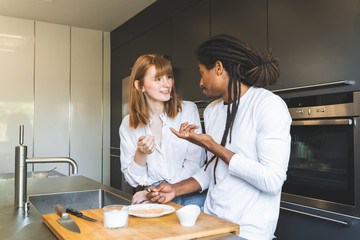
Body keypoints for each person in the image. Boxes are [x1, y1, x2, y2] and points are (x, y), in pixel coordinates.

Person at [148, 35, 292, 240]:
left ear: (218, 67)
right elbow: (214, 170)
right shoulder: (212, 111)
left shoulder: (268, 105)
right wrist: (175, 189)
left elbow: (272, 181)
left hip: (247, 231)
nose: (200, 82)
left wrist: (214, 146)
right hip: (211, 222)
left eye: (201, 72)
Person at [119, 54, 206, 207]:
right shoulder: (128, 124)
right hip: (155, 200)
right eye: (158, 79)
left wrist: (162, 190)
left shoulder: (188, 110)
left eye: (169, 77)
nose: (167, 84)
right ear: (140, 86)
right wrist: (141, 153)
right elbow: (133, 179)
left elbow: (195, 163)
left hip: (189, 197)